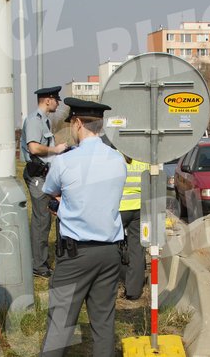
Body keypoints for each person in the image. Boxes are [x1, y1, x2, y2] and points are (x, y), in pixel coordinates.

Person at [40, 97, 126, 357]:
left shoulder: (65, 161)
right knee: (103, 323)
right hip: (110, 252)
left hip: (76, 255)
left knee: (60, 324)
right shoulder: (117, 159)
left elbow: (51, 191)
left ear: (78, 123)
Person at [20, 86, 68, 278]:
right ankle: (38, 266)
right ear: (48, 100)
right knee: (42, 219)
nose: (58, 102)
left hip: (46, 174)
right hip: (37, 175)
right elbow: (33, 148)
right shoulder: (34, 120)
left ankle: (49, 259)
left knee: (52, 214)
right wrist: (56, 150)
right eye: (56, 99)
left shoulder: (45, 120)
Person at [119, 156, 150, 300]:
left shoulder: (116, 156)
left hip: (119, 208)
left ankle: (114, 284)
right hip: (140, 209)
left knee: (112, 247)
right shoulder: (144, 158)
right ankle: (134, 291)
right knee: (138, 249)